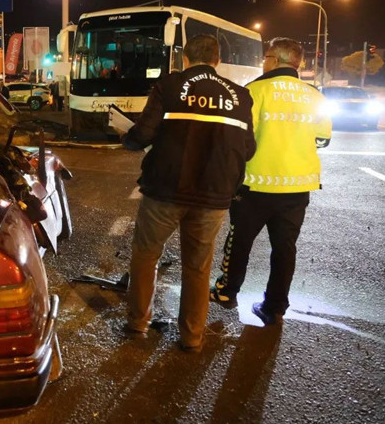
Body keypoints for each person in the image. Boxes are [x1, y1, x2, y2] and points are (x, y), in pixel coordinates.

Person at [119, 34, 256, 352]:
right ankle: (192, 336)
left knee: (146, 254)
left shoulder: (168, 86)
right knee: (197, 266)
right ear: (217, 60)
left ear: (185, 58)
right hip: (214, 195)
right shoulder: (240, 95)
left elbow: (144, 134)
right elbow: (248, 149)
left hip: (166, 190)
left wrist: (127, 137)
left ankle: (138, 322)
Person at [209, 37, 331, 325]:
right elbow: (323, 139)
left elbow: (239, 138)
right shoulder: (314, 96)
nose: (263, 61)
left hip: (255, 184)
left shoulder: (254, 91)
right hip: (297, 186)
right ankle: (275, 306)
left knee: (239, 241)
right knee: (285, 248)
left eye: (265, 57)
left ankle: (227, 292)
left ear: (275, 60)